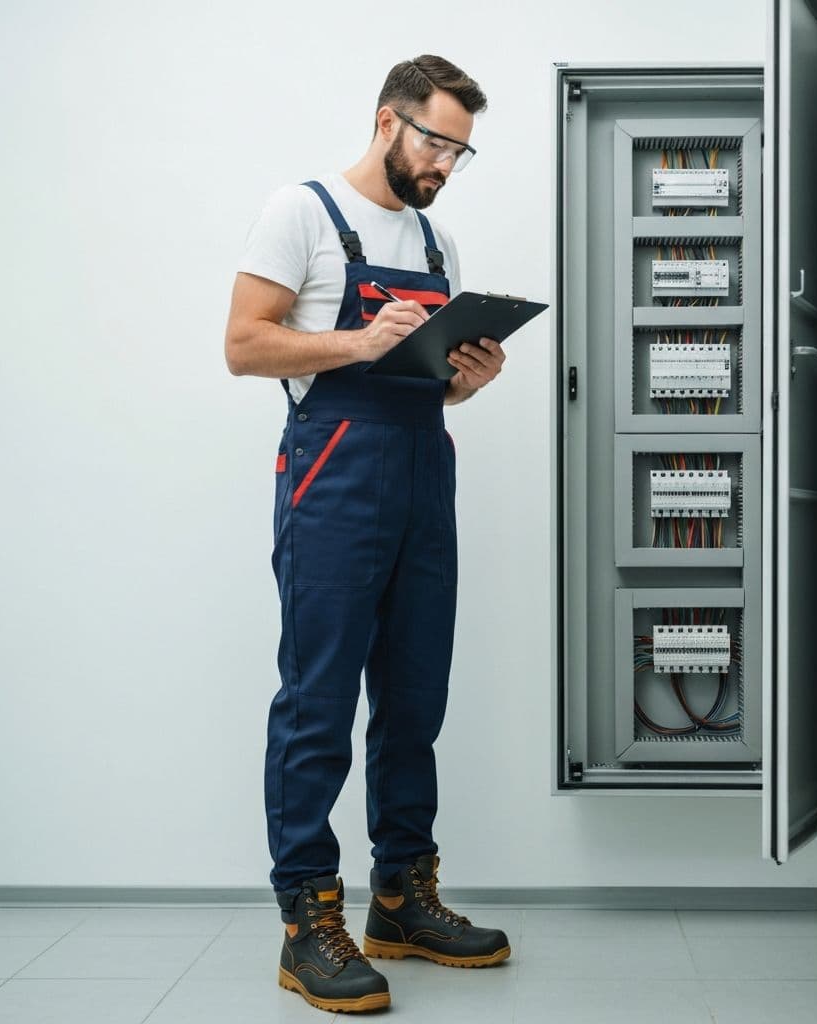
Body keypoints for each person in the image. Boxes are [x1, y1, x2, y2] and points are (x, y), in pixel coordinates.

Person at [224, 55, 510, 1014]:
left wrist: (467, 380)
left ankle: (401, 898)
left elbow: (430, 388)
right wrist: (356, 341)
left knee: (415, 696)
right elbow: (243, 344)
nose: (445, 166)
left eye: (461, 153)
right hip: (332, 478)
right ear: (388, 121)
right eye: (436, 143)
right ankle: (307, 919)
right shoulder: (301, 213)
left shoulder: (436, 243)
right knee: (318, 699)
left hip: (424, 475)